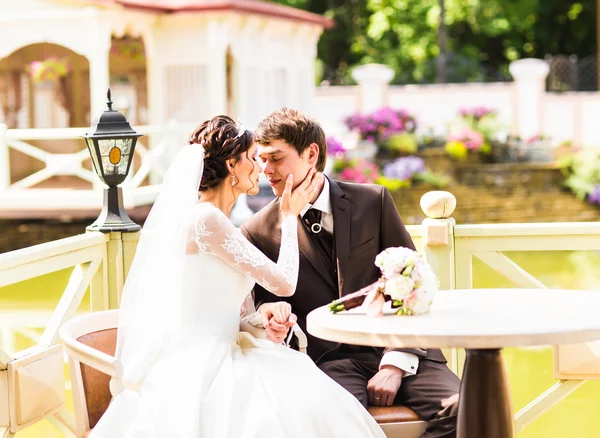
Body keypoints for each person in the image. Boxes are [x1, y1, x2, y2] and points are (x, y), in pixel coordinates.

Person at [88, 115, 385, 438]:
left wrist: (264, 318)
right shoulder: (205, 220)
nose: (260, 168)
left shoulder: (221, 224)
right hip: (201, 360)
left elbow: (233, 310)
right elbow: (285, 283)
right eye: (252, 159)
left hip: (230, 346)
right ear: (232, 166)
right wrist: (288, 217)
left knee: (306, 398)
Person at [242, 108, 461, 438]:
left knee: (465, 407)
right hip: (330, 363)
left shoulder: (373, 201)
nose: (266, 171)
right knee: (337, 426)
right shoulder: (257, 232)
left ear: (311, 153)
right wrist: (271, 318)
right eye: (262, 160)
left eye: (276, 158)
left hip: (403, 349)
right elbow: (271, 310)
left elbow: (414, 286)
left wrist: (394, 364)